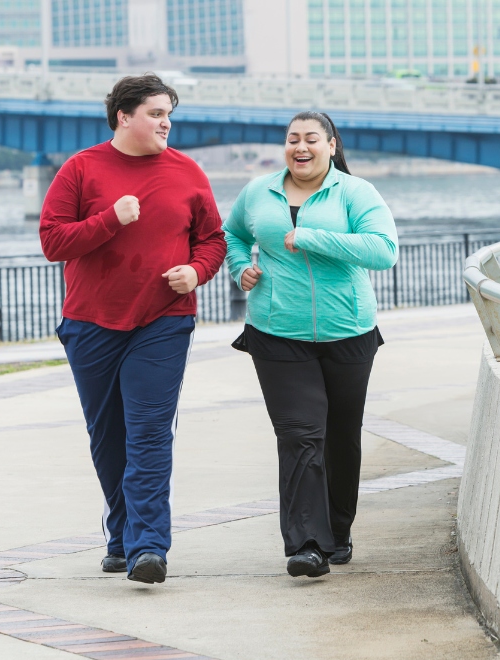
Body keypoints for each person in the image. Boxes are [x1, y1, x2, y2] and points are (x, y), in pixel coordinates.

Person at [39, 74, 226, 585]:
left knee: (149, 434)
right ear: (124, 117)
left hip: (164, 321)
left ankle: (148, 547)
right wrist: (110, 219)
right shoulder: (81, 169)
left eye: (169, 114)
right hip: (90, 323)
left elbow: (213, 240)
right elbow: (53, 242)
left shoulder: (188, 172)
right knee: (108, 438)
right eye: (156, 113)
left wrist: (197, 272)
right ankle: (121, 536)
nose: (166, 123)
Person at [224, 111, 398, 578]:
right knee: (300, 435)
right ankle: (307, 544)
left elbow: (383, 250)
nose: (300, 147)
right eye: (292, 139)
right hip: (277, 331)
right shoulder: (258, 191)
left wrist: (313, 238)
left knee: (341, 437)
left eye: (311, 139)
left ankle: (338, 532)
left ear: (331, 145)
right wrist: (240, 267)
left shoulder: (355, 192)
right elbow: (232, 234)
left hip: (349, 331)